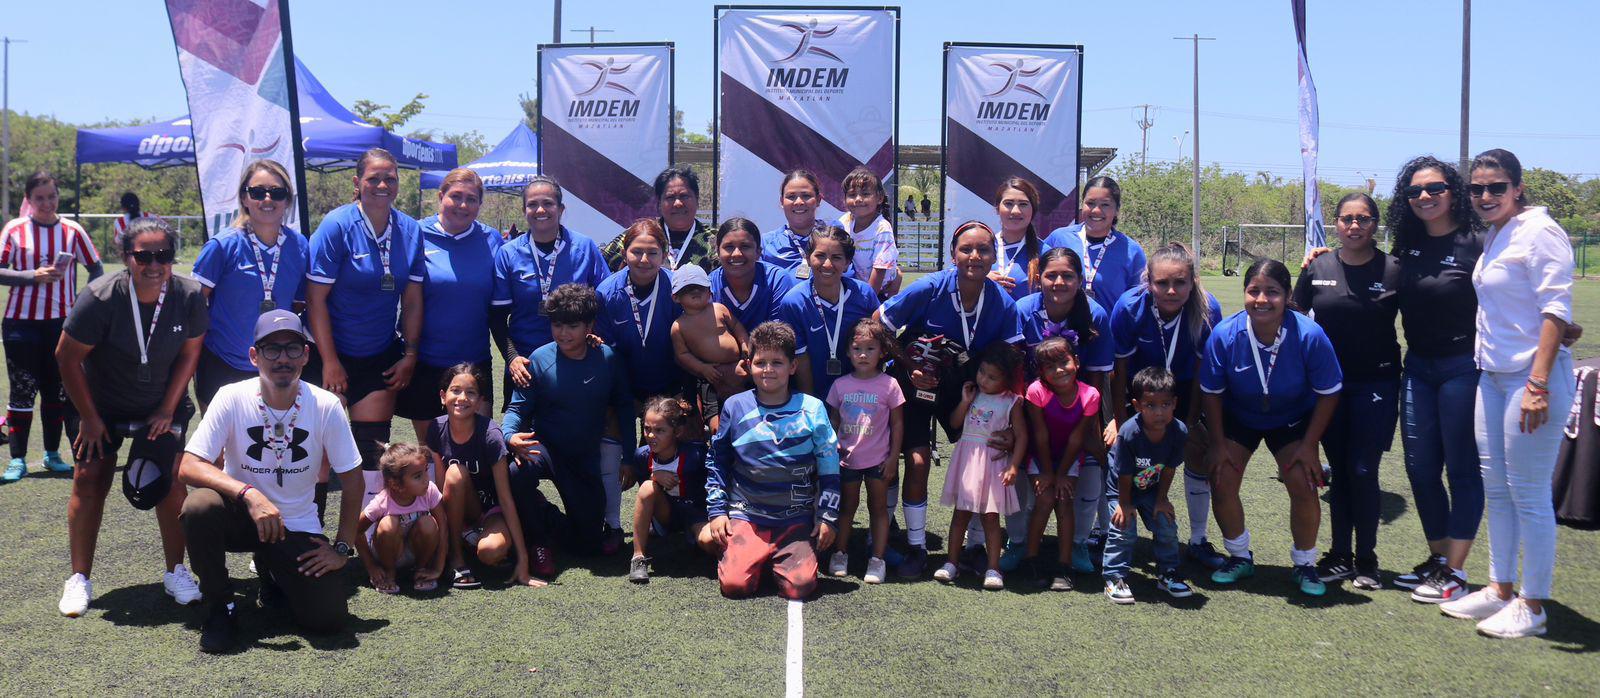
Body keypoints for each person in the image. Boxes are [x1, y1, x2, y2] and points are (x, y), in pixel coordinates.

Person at [1437, 149, 1575, 639]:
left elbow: (1555, 308)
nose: (1485, 196)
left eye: (1496, 187)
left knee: (1530, 494)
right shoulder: (1498, 233)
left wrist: (1538, 384)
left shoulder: (1541, 232)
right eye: (1476, 188)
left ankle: (1532, 605)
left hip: (1528, 382)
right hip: (1492, 376)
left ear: (1518, 187)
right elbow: (1520, 306)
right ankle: (1500, 589)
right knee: (1496, 487)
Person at [177, 310, 364, 653]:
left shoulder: (325, 406)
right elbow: (189, 465)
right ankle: (220, 608)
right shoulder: (231, 396)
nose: (282, 359)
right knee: (199, 507)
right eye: (271, 349)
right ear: (254, 356)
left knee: (328, 621)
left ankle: (273, 571)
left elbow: (353, 482)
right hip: (241, 515)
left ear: (306, 355)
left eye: (293, 348)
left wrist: (341, 548)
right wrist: (248, 493)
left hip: (295, 524)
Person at [55, 217, 206, 618]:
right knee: (89, 479)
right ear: (126, 257)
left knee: (170, 484)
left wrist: (167, 408)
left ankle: (176, 570)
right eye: (144, 256)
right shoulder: (101, 297)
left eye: (164, 255)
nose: (154, 264)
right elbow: (66, 358)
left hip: (160, 403)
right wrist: (88, 417)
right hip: (99, 403)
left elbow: (190, 354)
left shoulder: (189, 294)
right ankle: (79, 578)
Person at [876, 220, 1024, 577]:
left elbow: (1013, 361)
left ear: (993, 256)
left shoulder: (1003, 304)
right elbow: (878, 324)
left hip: (967, 387)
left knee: (986, 456)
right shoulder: (929, 288)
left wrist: (1013, 422)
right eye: (966, 249)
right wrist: (909, 364)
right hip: (917, 381)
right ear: (953, 254)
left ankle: (975, 545)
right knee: (917, 459)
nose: (974, 256)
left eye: (983, 250)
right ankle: (913, 545)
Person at [1200, 258, 1343, 596]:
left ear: (1288, 295)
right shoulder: (1225, 334)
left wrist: (1310, 445)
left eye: (1272, 292)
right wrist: (1218, 444)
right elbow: (1212, 395)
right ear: (1244, 293)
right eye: (1254, 291)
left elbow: (1329, 394)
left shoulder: (1309, 335)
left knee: (1303, 481)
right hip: (1241, 416)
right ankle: (1239, 557)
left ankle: (1305, 564)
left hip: (1291, 419)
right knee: (1221, 477)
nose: (1262, 299)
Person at [1386, 156, 1487, 602]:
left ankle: (1456, 572)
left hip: (1464, 366)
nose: (1424, 197)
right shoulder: (1406, 247)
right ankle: (1439, 559)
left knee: (1461, 470)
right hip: (1418, 368)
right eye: (1414, 191)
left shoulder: (1478, 243)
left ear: (1454, 192)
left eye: (1434, 188)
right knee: (1420, 469)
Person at [1292, 193, 1401, 590]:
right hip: (1327, 388)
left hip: (1377, 383)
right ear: (1336, 224)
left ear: (1375, 224)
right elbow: (1292, 316)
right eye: (1347, 219)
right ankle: (1339, 555)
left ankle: (1367, 560)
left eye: (1364, 219)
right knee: (1337, 474)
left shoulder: (1393, 270)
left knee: (1363, 470)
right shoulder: (1317, 266)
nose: (1355, 226)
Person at [307, 148, 426, 510]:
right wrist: (329, 361)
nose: (382, 184)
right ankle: (305, 533)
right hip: (330, 354)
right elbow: (315, 301)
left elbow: (414, 300)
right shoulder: (337, 225)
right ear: (357, 183)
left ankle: (370, 533)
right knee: (318, 454)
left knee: (371, 450)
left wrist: (409, 353)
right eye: (374, 178)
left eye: (390, 177)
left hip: (378, 356)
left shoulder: (409, 229)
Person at [1109, 242, 1225, 569]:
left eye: (1180, 283)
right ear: (1149, 281)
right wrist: (1119, 422)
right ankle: (1105, 531)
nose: (1171, 290)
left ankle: (1199, 540)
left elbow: (1204, 371)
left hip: (1185, 387)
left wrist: (1187, 423)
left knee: (1197, 453)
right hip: (1138, 387)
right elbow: (1118, 374)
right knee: (1118, 449)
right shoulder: (1130, 307)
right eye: (1162, 283)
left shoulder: (1207, 308)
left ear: (1193, 282)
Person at [704, 321, 840, 600]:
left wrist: (827, 516)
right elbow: (717, 461)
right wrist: (717, 512)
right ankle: (747, 553)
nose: (768, 370)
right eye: (760, 362)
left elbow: (829, 466)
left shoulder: (812, 409)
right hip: (748, 514)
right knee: (734, 586)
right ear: (749, 365)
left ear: (792, 367)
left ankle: (775, 556)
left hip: (795, 518)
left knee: (799, 587)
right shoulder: (735, 406)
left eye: (777, 362)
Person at [503, 284, 634, 556]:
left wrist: (629, 459)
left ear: (589, 325)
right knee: (517, 471)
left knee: (588, 545)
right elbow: (517, 409)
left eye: (572, 326)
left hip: (584, 457)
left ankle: (547, 516)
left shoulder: (607, 359)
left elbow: (624, 409)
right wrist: (509, 435)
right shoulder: (539, 359)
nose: (563, 333)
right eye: (557, 325)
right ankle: (538, 540)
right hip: (547, 450)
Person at [1014, 246, 1116, 573]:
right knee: (1014, 465)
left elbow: (1099, 375)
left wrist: (1099, 424)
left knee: (1091, 468)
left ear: (1080, 279)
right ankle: (1017, 544)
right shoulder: (1022, 310)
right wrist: (1013, 423)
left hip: (1078, 412)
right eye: (1051, 275)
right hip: (1030, 408)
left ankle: (1079, 545)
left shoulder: (1096, 314)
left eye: (1068, 275)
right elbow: (1013, 369)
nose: (1059, 282)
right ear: (1037, 278)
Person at [1, 170, 104, 480]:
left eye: (51, 197)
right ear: (29, 200)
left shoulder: (72, 230)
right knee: (22, 393)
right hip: (21, 325)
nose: (46, 203)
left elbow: (95, 268)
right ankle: (17, 458)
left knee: (56, 393)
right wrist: (31, 276)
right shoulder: (15, 229)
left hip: (62, 325)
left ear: (58, 197)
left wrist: (83, 303)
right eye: (39, 198)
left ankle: (51, 454)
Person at [396, 168, 504, 443]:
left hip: (474, 361)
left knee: (476, 450)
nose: (463, 205)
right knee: (432, 453)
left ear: (480, 204)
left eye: (471, 199)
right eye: (456, 196)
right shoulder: (415, 234)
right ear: (440, 196)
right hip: (424, 362)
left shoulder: (491, 239)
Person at [191, 159, 309, 408]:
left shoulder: (300, 247)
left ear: (287, 200)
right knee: (219, 447)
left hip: (275, 365)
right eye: (257, 192)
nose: (267, 199)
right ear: (244, 198)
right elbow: (192, 305)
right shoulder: (222, 246)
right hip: (221, 364)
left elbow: (299, 304)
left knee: (270, 443)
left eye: (277, 193)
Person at [596, 219, 684, 548]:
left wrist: (679, 398)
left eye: (652, 252)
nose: (644, 260)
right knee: (611, 445)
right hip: (626, 388)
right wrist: (623, 401)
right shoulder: (607, 292)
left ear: (664, 255)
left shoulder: (676, 289)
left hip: (668, 388)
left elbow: (685, 343)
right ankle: (612, 524)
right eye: (637, 252)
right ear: (624, 252)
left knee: (675, 447)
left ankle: (668, 518)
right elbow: (608, 352)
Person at [492, 175, 610, 408]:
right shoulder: (508, 253)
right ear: (524, 209)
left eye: (548, 203)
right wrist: (512, 358)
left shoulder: (584, 247)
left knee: (575, 433)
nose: (540, 210)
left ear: (561, 208)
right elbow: (496, 317)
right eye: (532, 204)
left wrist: (594, 334)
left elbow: (604, 302)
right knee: (523, 437)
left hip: (578, 361)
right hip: (525, 366)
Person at [431, 364, 552, 590]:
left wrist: (524, 562)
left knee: (489, 552)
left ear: (479, 401)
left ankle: (505, 541)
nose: (462, 398)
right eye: (455, 390)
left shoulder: (490, 435)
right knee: (455, 474)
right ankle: (456, 557)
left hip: (491, 510)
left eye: (471, 393)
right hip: (460, 508)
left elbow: (505, 499)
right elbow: (439, 491)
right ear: (442, 395)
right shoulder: (435, 429)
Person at [933, 343, 1029, 590]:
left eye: (992, 377)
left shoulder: (1012, 401)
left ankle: (993, 568)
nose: (984, 380)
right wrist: (965, 401)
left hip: (993, 464)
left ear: (1006, 379)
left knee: (991, 518)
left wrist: (1014, 466)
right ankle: (951, 563)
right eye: (982, 372)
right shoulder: (972, 393)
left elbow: (1022, 436)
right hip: (967, 460)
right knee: (960, 514)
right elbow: (955, 423)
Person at [1101, 367, 1192, 604]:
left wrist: (1162, 499)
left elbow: (1169, 468)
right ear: (1137, 405)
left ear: (1174, 403)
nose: (1159, 412)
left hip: (1151, 489)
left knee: (1166, 524)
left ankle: (1167, 573)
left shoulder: (1179, 431)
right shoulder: (1129, 433)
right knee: (1124, 528)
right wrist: (1124, 504)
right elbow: (1123, 473)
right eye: (1151, 405)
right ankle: (1114, 578)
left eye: (1165, 404)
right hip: (1121, 490)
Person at [824, 318, 904, 584]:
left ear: (882, 352)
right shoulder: (840, 385)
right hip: (847, 460)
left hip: (878, 461)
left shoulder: (890, 385)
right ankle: (840, 554)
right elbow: (833, 419)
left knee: (878, 509)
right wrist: (832, 444)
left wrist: (893, 458)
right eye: (857, 348)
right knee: (846, 508)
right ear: (848, 351)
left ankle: (877, 559)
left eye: (870, 349)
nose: (863, 355)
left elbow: (898, 424)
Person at [1020, 337, 1102, 590]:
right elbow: (1040, 435)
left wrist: (1062, 474)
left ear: (1076, 362)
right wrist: (1047, 473)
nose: (1058, 370)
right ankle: (1030, 561)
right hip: (1040, 457)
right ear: (1041, 372)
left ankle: (1064, 566)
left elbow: (1079, 437)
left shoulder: (1090, 395)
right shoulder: (1036, 391)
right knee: (1044, 500)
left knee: (1065, 502)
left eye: (1064, 362)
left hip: (1070, 458)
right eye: (1049, 366)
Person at [778, 226, 881, 401]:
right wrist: (812, 408)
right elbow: (800, 359)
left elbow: (878, 342)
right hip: (811, 393)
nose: (827, 264)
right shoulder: (794, 302)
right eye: (820, 256)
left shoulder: (863, 294)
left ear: (848, 262)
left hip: (859, 396)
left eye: (836, 257)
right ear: (808, 258)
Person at [626, 396, 714, 583]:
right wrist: (654, 477)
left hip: (697, 514)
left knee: (710, 543)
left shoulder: (696, 454)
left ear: (677, 431)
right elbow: (646, 491)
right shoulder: (642, 456)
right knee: (647, 488)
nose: (650, 436)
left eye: (659, 430)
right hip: (667, 514)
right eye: (647, 429)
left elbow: (714, 483)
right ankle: (638, 557)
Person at [1042, 176, 1148, 309]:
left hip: (1108, 328)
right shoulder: (1059, 238)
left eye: (1105, 204)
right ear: (1082, 204)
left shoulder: (1132, 251)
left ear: (1117, 210)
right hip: (1062, 328)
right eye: (1090, 203)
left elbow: (1138, 302)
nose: (1096, 210)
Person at [355, 442, 446, 594]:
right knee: (388, 524)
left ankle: (421, 570)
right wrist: (371, 566)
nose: (426, 479)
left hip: (413, 550)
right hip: (388, 552)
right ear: (395, 484)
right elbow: (355, 530)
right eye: (418, 476)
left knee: (429, 523)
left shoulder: (429, 491)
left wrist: (438, 567)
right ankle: (389, 574)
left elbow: (443, 527)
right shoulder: (382, 502)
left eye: (426, 471)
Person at [602, 166, 718, 273]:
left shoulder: (714, 240)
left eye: (684, 196)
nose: (678, 203)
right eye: (670, 197)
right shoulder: (640, 234)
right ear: (659, 202)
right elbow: (599, 265)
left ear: (696, 199)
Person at [670, 264, 750, 417]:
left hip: (739, 365)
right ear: (676, 297)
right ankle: (717, 436)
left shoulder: (719, 308)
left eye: (700, 288)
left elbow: (737, 326)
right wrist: (702, 368)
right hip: (711, 376)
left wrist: (745, 344)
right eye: (687, 289)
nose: (695, 292)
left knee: (747, 406)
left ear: (709, 291)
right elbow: (682, 355)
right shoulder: (678, 326)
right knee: (716, 418)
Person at [709, 217, 796, 332]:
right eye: (729, 247)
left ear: (758, 252)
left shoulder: (776, 280)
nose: (736, 254)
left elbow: (778, 338)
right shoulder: (709, 285)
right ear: (718, 251)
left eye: (745, 246)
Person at [836, 166, 900, 298]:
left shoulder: (882, 228)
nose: (858, 199)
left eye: (865, 194)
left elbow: (879, 271)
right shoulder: (845, 220)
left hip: (878, 293)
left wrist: (867, 302)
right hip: (855, 289)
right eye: (852, 195)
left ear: (880, 198)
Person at [760, 170, 831, 279]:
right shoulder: (767, 243)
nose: (799, 202)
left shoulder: (834, 233)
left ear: (818, 200)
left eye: (806, 195)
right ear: (781, 201)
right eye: (791, 196)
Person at [990, 177, 1044, 300]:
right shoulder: (981, 247)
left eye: (1023, 204)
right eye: (1008, 203)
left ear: (1033, 210)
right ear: (998, 208)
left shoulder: (1044, 252)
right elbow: (953, 278)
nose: (1015, 211)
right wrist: (979, 279)